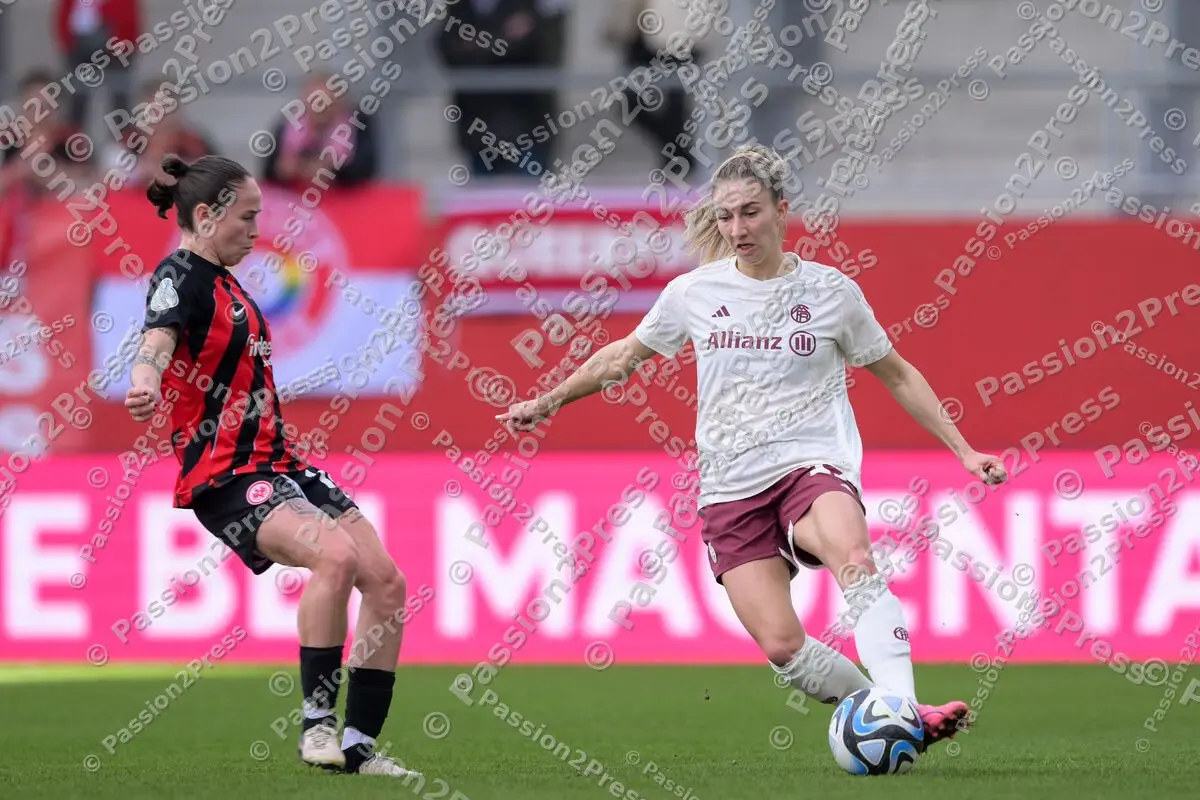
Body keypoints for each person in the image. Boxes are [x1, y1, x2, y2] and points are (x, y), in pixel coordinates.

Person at [495, 144, 1008, 747]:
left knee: (854, 557)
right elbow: (624, 356)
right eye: (726, 216)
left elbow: (895, 372)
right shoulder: (693, 293)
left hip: (810, 465)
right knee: (783, 646)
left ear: (782, 211)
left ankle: (898, 702)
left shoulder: (831, 293)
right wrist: (549, 399)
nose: (737, 228)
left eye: (750, 212)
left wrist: (964, 449)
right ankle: (893, 713)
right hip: (730, 488)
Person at [124, 154, 418, 778]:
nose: (258, 229)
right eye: (247, 216)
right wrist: (144, 379)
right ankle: (316, 727)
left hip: (281, 463)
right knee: (333, 556)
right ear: (205, 216)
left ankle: (360, 749)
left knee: (387, 584)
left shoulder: (231, 284)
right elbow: (155, 339)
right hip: (226, 475)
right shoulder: (181, 276)